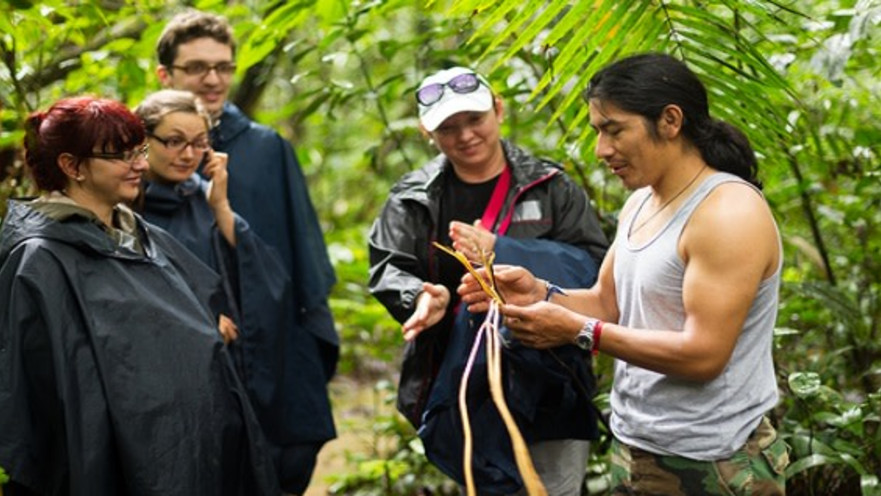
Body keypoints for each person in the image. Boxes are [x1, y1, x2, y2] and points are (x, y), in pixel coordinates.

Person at [459, 53, 790, 495]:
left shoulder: (728, 213)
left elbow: (704, 356)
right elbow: (608, 305)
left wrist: (579, 331)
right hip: (636, 449)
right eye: (598, 132)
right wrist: (539, 293)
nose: (602, 150)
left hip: (718, 462)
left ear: (670, 120)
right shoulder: (641, 203)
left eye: (614, 130)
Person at [0, 96, 279, 495]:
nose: (142, 166)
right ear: (72, 166)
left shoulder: (145, 237)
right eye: (121, 155)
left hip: (195, 457)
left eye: (140, 151)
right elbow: (46, 404)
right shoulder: (40, 260)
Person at [368, 66, 609, 495]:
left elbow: (595, 269)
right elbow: (388, 265)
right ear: (429, 132)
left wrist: (505, 250)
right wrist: (422, 296)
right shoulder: (413, 197)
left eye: (474, 119)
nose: (465, 136)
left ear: (498, 110)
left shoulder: (550, 187)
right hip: (462, 383)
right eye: (448, 127)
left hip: (549, 382)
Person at [155, 11, 338, 493]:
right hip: (190, 359)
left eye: (223, 67)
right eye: (196, 67)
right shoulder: (143, 153)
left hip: (276, 342)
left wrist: (311, 347)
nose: (212, 80)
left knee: (287, 462)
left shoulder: (266, 147)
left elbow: (304, 257)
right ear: (166, 75)